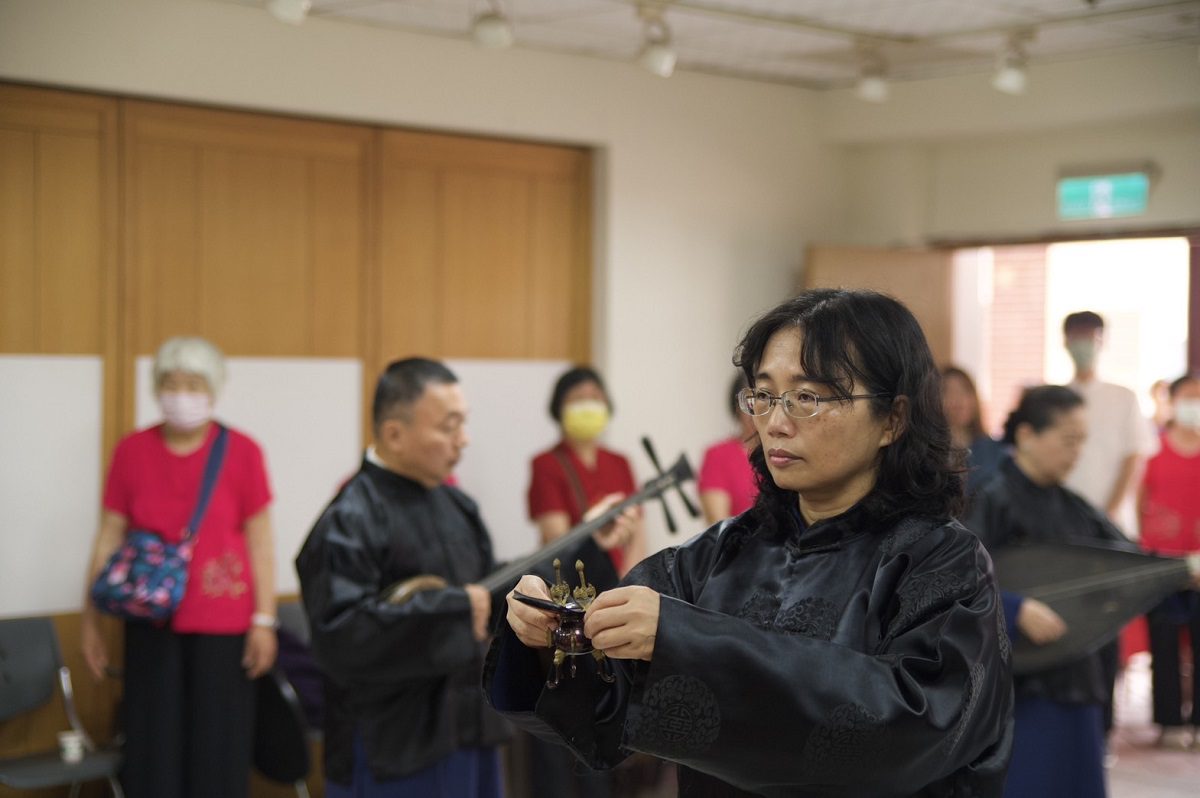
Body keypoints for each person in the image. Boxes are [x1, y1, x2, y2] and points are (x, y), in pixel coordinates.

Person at [486, 288, 1014, 796]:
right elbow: (604, 716)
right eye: (763, 396)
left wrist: (689, 642)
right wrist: (553, 640)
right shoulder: (713, 557)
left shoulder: (942, 563)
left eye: (807, 397)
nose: (776, 423)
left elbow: (912, 731)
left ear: (892, 419)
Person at [295, 358, 628, 797]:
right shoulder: (349, 520)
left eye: (463, 424)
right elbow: (340, 636)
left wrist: (588, 545)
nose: (463, 440)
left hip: (471, 730)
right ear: (394, 433)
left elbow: (492, 591)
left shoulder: (458, 508)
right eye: (449, 426)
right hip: (391, 747)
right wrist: (454, 607)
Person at [80, 336, 277, 798]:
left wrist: (264, 620)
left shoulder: (243, 451)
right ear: (156, 387)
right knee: (152, 747)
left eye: (192, 383)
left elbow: (261, 542)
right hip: (149, 619)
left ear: (213, 389)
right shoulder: (132, 451)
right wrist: (90, 618)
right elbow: (108, 535)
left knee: (220, 747)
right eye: (171, 383)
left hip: (224, 622)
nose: (181, 393)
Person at [968, 385, 1135, 798]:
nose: (1077, 452)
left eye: (1082, 441)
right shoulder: (989, 498)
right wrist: (1013, 608)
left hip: (1079, 672)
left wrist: (1183, 568)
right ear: (1026, 435)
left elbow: (1128, 560)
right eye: (1068, 440)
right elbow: (956, 580)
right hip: (1020, 686)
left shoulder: (1077, 507)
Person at [528, 366, 646, 577]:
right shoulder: (546, 463)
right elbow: (556, 538)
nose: (588, 406)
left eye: (595, 397)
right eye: (578, 399)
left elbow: (637, 531)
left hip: (620, 579)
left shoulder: (620, 462)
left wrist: (631, 583)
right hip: (574, 581)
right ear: (559, 407)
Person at [1138, 373, 1200, 749]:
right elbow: (1140, 502)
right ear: (1172, 401)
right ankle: (1169, 721)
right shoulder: (1152, 450)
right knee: (1163, 643)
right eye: (1188, 396)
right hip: (1160, 562)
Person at [1061, 311, 1157, 531]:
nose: (1084, 345)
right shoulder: (1056, 398)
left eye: (1090, 337)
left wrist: (1110, 511)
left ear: (1102, 342)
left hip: (1115, 520)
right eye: (1078, 337)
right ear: (1066, 341)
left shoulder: (1123, 397)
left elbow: (1134, 456)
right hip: (1065, 519)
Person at [697, 373, 758, 524]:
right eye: (749, 404)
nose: (756, 412)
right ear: (736, 407)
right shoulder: (719, 455)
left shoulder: (783, 453)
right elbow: (718, 526)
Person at [941, 365, 1006, 498]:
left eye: (964, 391)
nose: (958, 400)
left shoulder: (993, 449)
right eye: (949, 392)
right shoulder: (928, 452)